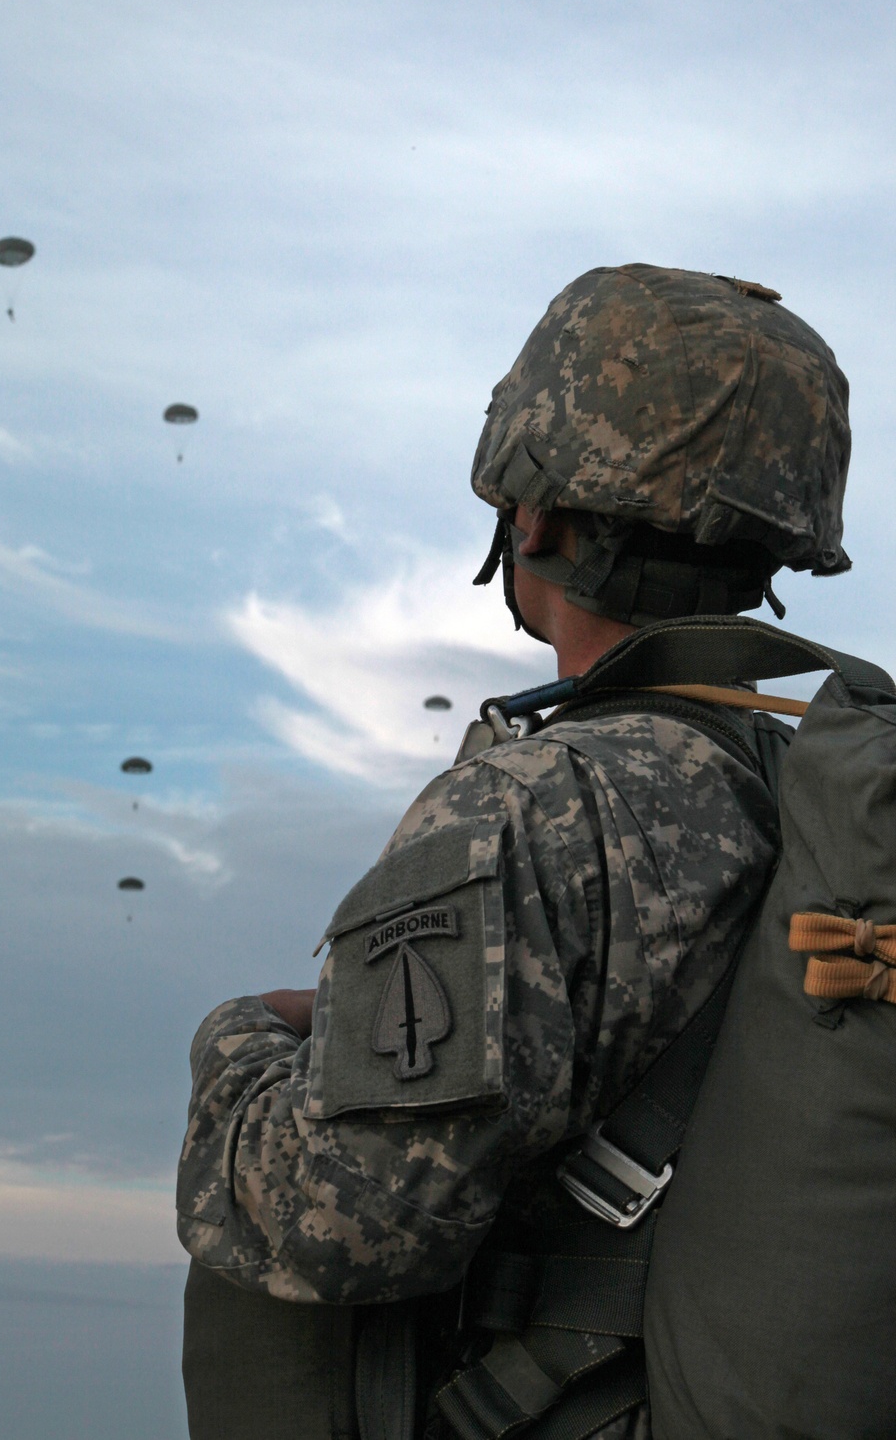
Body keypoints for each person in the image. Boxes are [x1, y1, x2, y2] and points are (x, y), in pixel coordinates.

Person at [177, 264, 852, 1439]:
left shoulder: (533, 806)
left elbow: (336, 1224)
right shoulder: (821, 790)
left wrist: (236, 1045)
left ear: (532, 512)